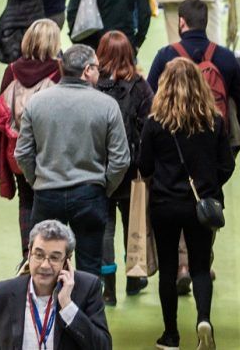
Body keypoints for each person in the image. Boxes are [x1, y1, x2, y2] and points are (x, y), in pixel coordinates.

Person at [140, 58, 234, 350]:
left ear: (164, 87)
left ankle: (171, 336)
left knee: (168, 268)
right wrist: (209, 184)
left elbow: (143, 166)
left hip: (164, 205)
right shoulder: (213, 121)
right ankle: (203, 320)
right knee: (201, 266)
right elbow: (227, 165)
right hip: (201, 205)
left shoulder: (154, 124)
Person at [16, 44, 131, 277]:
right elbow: (120, 159)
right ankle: (86, 312)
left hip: (47, 193)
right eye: (98, 68)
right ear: (88, 70)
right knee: (89, 270)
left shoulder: (37, 102)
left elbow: (23, 153)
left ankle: (46, 312)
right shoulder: (107, 105)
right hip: (89, 194)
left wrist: (36, 180)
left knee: (45, 267)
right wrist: (104, 187)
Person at [0, 20, 65, 254]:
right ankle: (52, 253)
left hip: (18, 150)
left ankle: (28, 253)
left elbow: (2, 113)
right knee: (52, 201)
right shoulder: (60, 72)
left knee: (26, 199)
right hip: (51, 151)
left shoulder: (11, 70)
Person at [0, 220, 113, 350]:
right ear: (29, 253)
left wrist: (67, 305)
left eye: (54, 257)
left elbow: (103, 347)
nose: (45, 265)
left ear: (67, 261)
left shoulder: (87, 288)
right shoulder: (1, 294)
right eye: (39, 255)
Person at [93, 31, 153, 306]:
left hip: (98, 169)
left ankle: (108, 288)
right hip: (133, 171)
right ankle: (134, 277)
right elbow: (149, 125)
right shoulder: (140, 86)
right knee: (133, 225)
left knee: (105, 229)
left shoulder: (92, 86)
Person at [148, 0, 240, 148]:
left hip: (174, 142)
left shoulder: (165, 56)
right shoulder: (226, 57)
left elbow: (150, 96)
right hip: (214, 142)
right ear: (205, 22)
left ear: (181, 22)